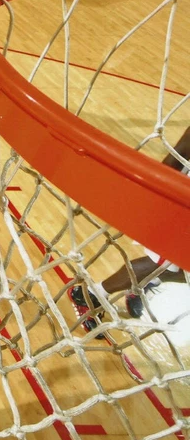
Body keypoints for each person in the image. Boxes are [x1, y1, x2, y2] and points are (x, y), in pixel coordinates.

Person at [70, 125, 189, 325]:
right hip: (180, 206)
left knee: (178, 269)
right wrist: (155, 201)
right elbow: (171, 163)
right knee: (159, 264)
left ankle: (147, 282)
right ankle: (90, 293)